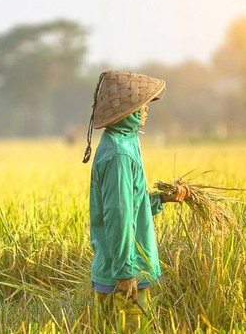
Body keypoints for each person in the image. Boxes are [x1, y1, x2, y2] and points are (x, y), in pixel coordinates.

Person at [82, 70, 188, 331]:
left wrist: (164, 198)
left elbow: (131, 206)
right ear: (128, 111)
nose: (147, 110)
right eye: (143, 105)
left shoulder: (122, 143)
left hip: (119, 269)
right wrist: (125, 272)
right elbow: (118, 217)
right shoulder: (119, 154)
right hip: (126, 275)